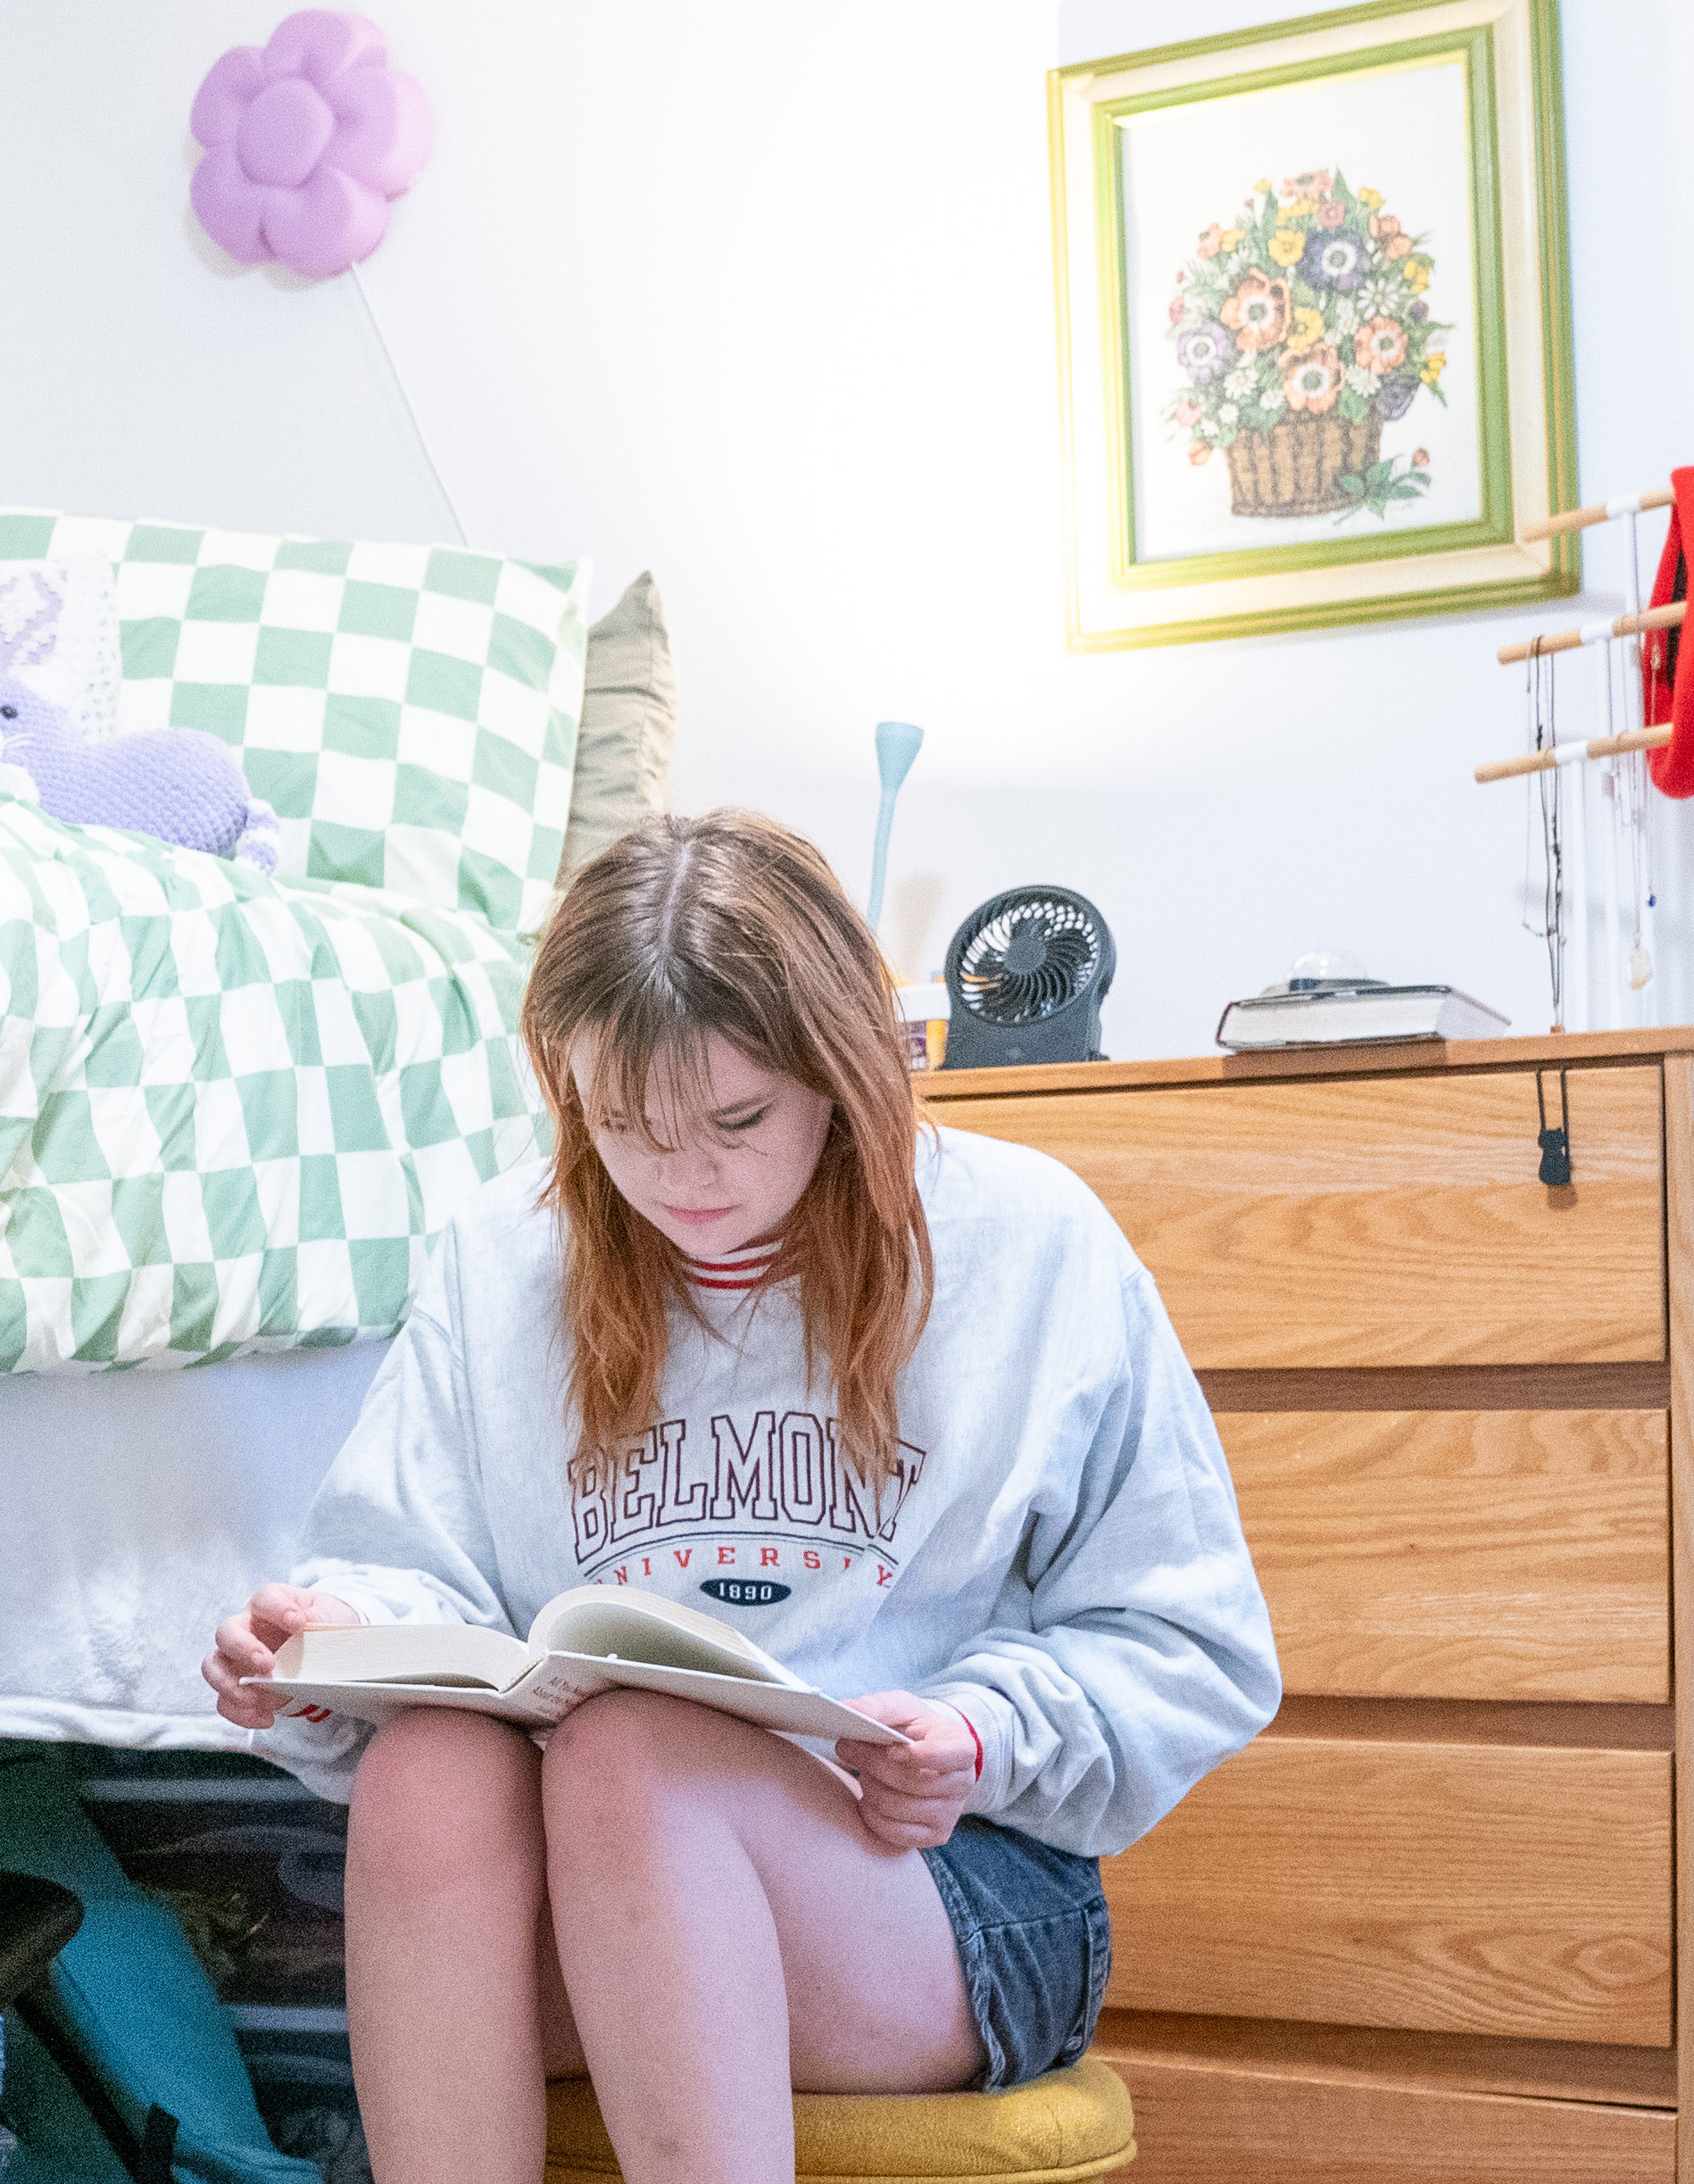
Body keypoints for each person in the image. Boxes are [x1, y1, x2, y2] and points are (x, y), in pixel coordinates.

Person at [199, 810, 1275, 2184]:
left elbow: (1193, 1642)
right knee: (430, 1768)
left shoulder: (1030, 1239)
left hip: (949, 1898)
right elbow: (424, 1575)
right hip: (607, 1893)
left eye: (738, 1119)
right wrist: (323, 1643)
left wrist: (979, 1729)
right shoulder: (498, 1255)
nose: (685, 1180)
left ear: (841, 1070)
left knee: (636, 1758)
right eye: (625, 1127)